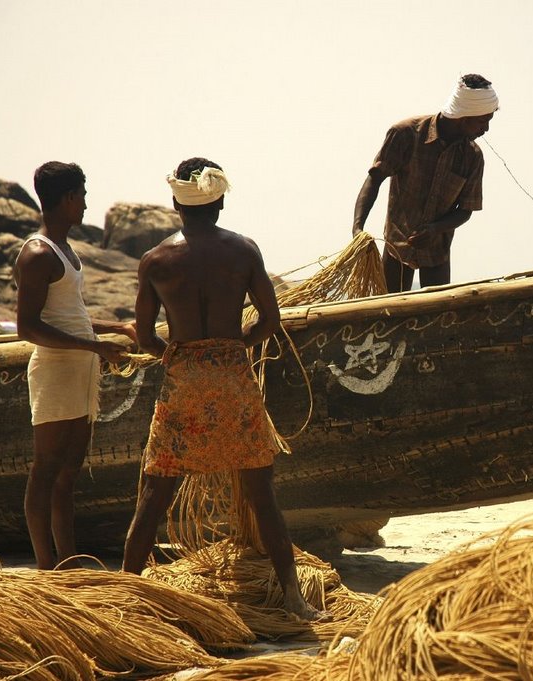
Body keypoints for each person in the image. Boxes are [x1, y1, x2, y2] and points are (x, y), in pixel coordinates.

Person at [121, 157, 323, 621]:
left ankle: (126, 596)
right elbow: (269, 321)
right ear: (221, 200)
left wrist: (174, 354)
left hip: (185, 378)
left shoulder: (156, 260)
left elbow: (147, 336)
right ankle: (294, 598)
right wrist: (237, 346)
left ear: (176, 202)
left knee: (155, 490)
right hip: (233, 375)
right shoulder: (244, 251)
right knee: (260, 489)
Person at [14, 161, 134, 570]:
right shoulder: (36, 254)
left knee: (68, 472)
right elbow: (27, 328)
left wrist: (117, 327)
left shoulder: (66, 250)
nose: (85, 205)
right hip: (54, 370)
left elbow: (72, 315)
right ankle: (47, 568)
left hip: (81, 367)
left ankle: (68, 562)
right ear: (68, 199)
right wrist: (96, 347)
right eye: (82, 196)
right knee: (46, 468)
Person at [352, 73, 499, 293]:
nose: (485, 129)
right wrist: (358, 229)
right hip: (396, 248)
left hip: (437, 252)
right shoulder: (405, 134)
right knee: (388, 310)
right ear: (464, 117)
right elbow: (375, 179)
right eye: (482, 121)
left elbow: (465, 211)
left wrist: (435, 229)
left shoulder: (472, 156)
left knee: (437, 317)